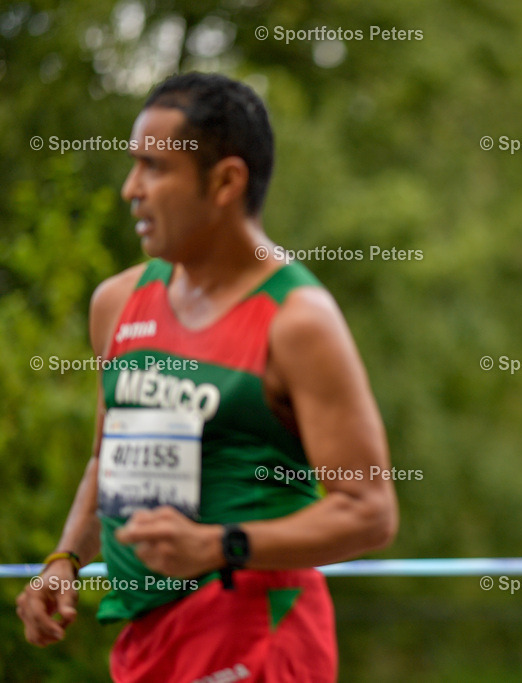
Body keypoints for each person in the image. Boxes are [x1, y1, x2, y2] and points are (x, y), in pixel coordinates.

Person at [16, 72, 398, 682]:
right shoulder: (116, 303)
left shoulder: (299, 321)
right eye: (133, 166)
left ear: (225, 182)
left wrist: (221, 545)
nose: (130, 189)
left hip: (260, 631)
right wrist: (65, 559)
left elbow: (370, 511)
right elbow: (105, 462)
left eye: (153, 168)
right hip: (146, 637)